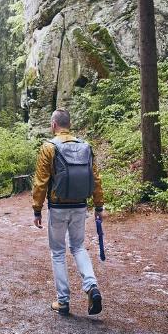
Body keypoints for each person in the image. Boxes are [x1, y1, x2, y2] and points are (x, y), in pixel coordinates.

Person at [32, 108, 104, 316]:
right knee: (78, 247)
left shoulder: (49, 147)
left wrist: (37, 210)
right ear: (69, 124)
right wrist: (99, 206)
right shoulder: (86, 146)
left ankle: (63, 301)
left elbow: (41, 182)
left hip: (58, 207)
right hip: (81, 205)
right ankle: (91, 286)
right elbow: (96, 179)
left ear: (54, 125)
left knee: (57, 252)